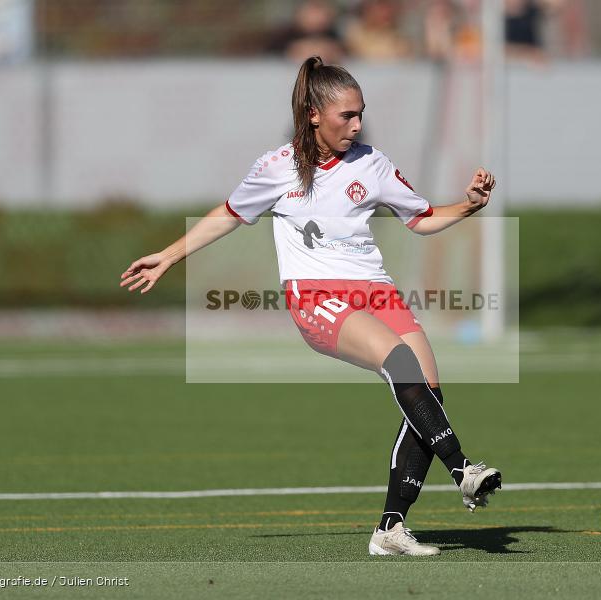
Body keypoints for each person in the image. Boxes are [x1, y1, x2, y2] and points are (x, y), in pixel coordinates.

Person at [120, 56, 501, 557]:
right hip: (318, 299)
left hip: (377, 292)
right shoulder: (277, 167)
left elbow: (423, 217)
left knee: (429, 396)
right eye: (347, 115)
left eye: (361, 113)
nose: (358, 124)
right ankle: (462, 468)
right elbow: (227, 216)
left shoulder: (373, 163)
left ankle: (391, 529)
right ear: (314, 114)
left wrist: (468, 204)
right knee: (401, 364)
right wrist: (168, 257)